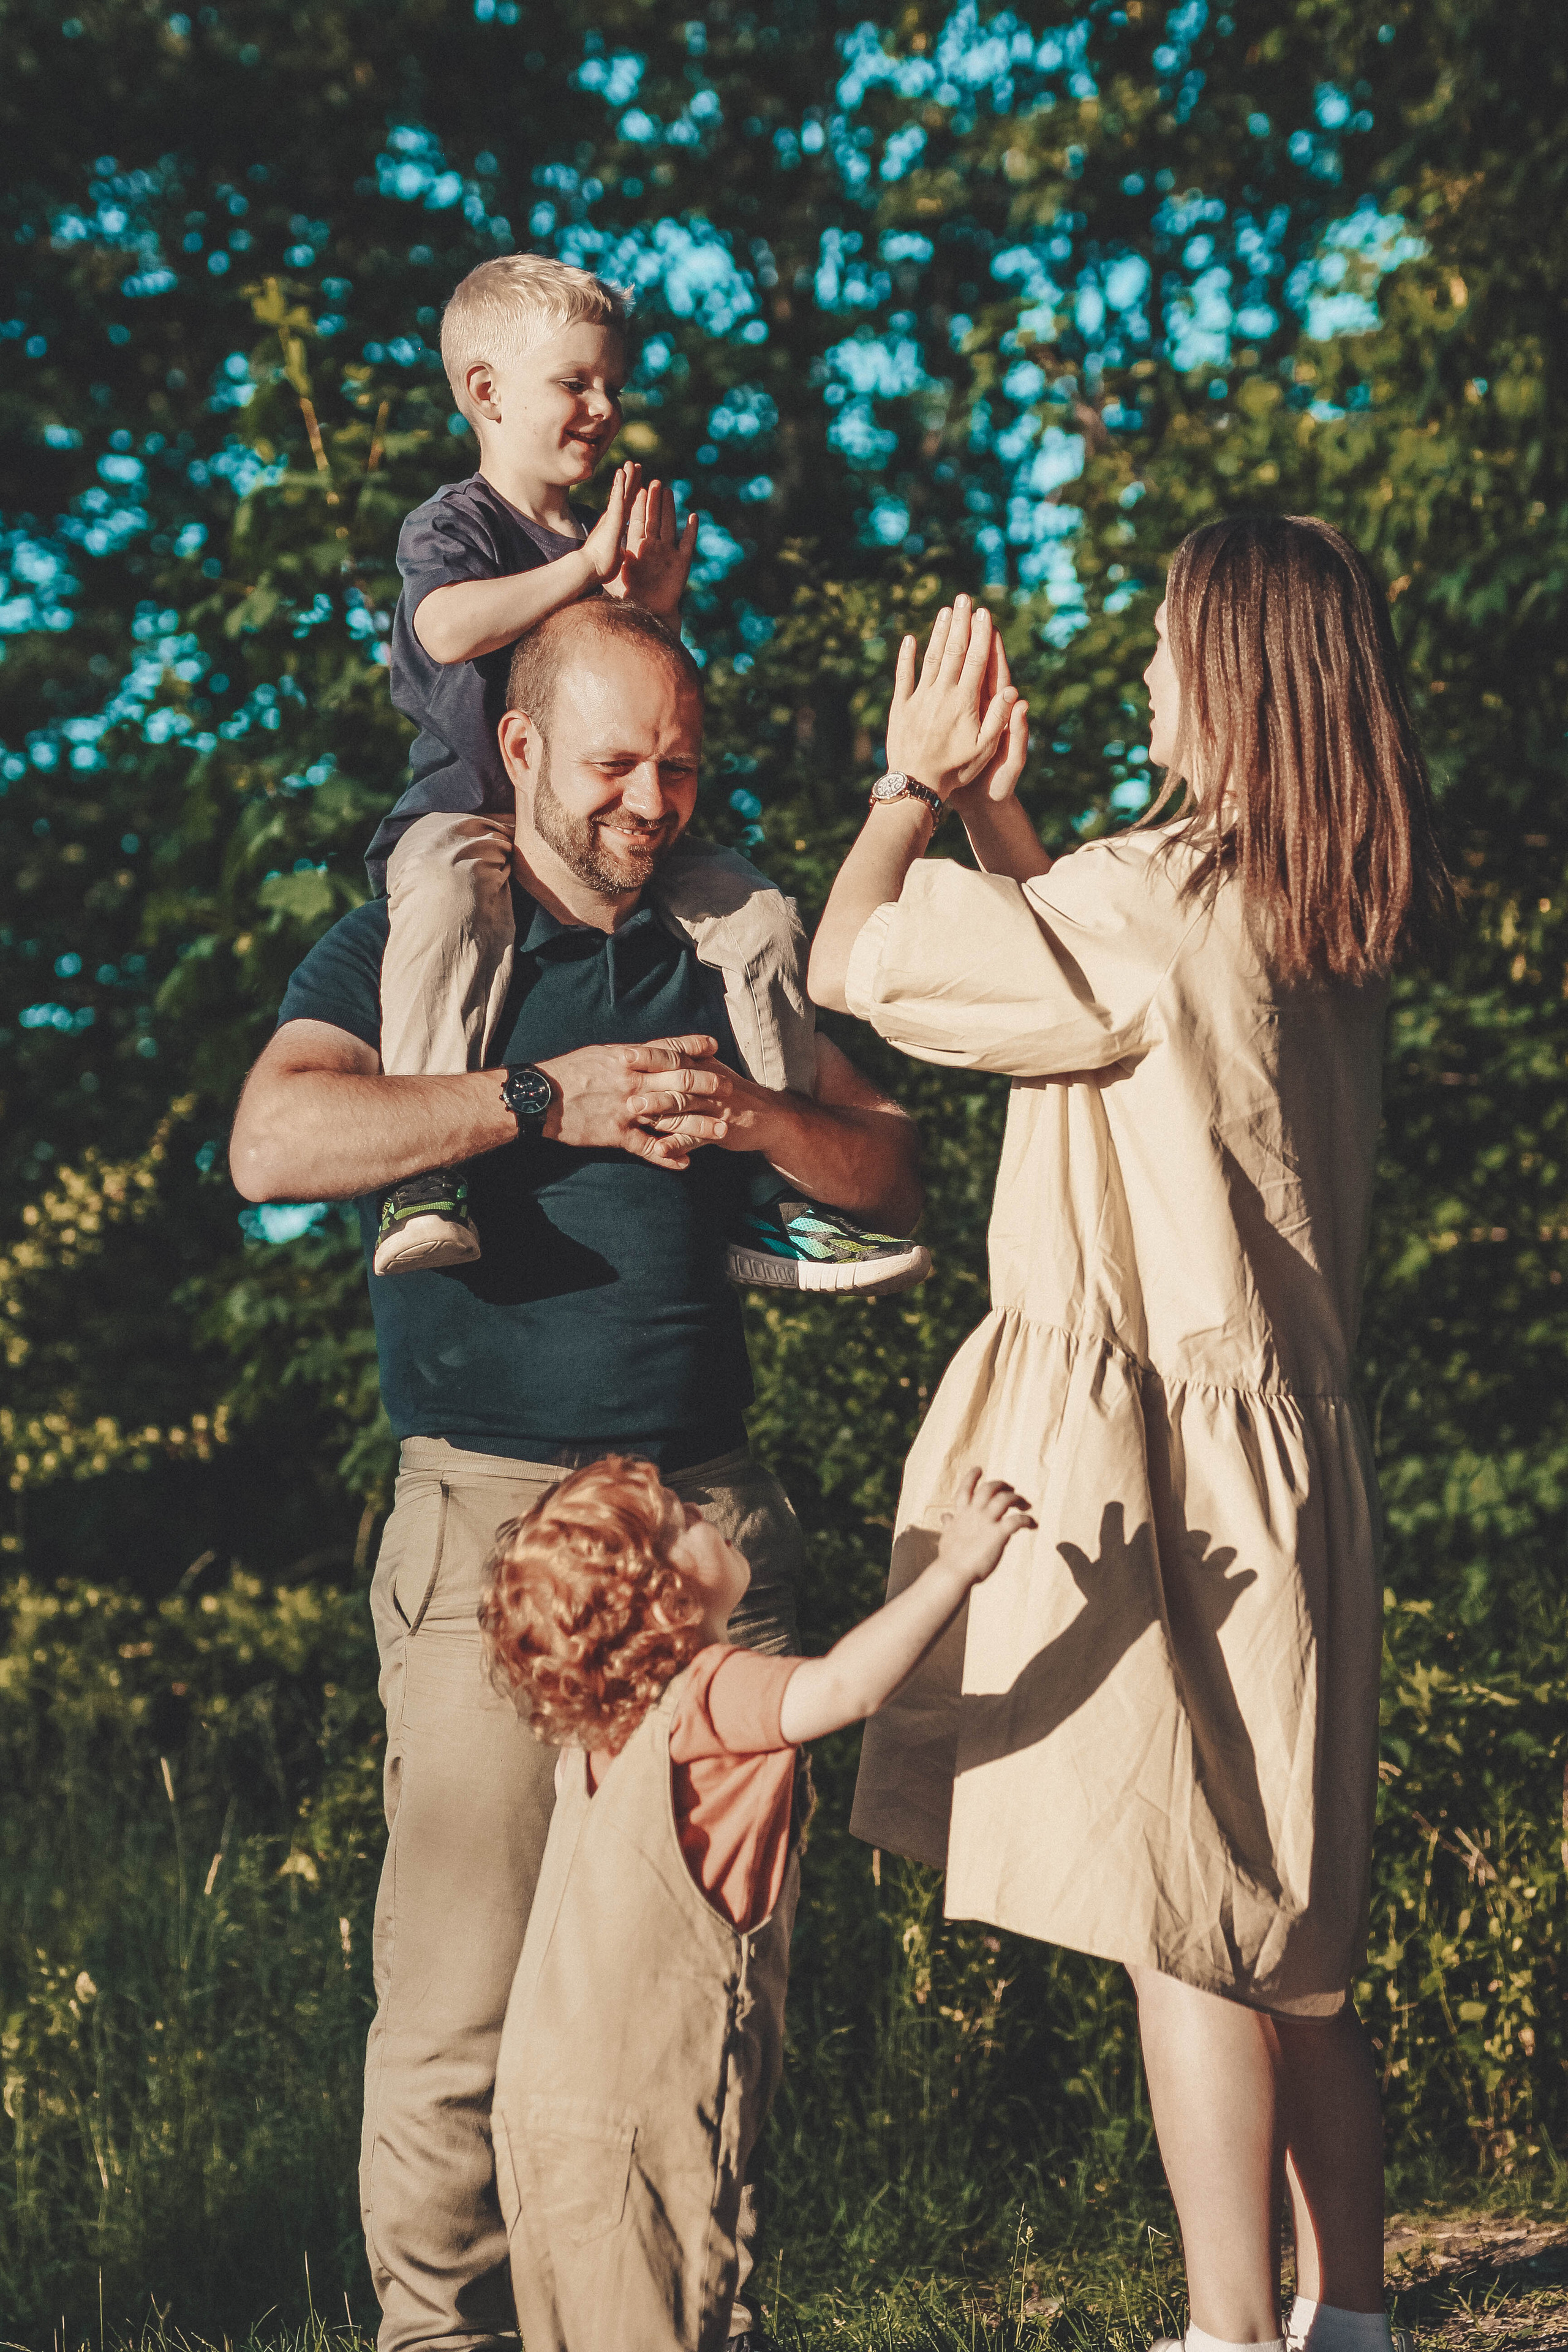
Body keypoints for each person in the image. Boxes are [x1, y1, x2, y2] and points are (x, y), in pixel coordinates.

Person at [228, 592, 927, 2352]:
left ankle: (682, 2324)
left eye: (683, 765)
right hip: (489, 1537)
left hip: (708, 1536)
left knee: (705, 2000)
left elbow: (894, 1173)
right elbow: (275, 1141)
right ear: (520, 751)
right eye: (616, 762)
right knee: (460, 2011)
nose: (654, 799)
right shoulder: (418, 946)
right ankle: (442, 2335)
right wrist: (548, 1101)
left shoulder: (722, 942)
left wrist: (762, 1123)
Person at [807, 521, 1454, 2352]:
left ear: (1236, 683)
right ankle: (1354, 2314)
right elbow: (1099, 998)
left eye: (1172, 651)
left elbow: (864, 959)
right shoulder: (1323, 902)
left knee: (1183, 1917)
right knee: (1299, 1937)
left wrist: (908, 791)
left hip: (1169, 1471)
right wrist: (1022, 834)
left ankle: (1227, 2330)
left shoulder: (1151, 903)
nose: (1150, 677)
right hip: (1296, 1463)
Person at [368, 249, 928, 1299]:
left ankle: (774, 1193)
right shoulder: (457, 525)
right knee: (444, 903)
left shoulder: (597, 543)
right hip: (470, 818)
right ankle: (428, 1176)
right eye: (574, 381)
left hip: (594, 832)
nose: (602, 405)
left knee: (758, 915)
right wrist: (586, 574)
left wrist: (651, 613)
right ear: (486, 392)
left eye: (613, 386)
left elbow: (624, 708)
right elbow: (444, 630)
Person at [480, 1453, 1035, 2352]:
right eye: (676, 1517)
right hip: (637, 2109)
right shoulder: (707, 1690)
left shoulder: (605, 1728)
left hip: (545, 2104)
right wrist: (958, 1568)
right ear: (659, 1590)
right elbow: (848, 1686)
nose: (702, 1508)